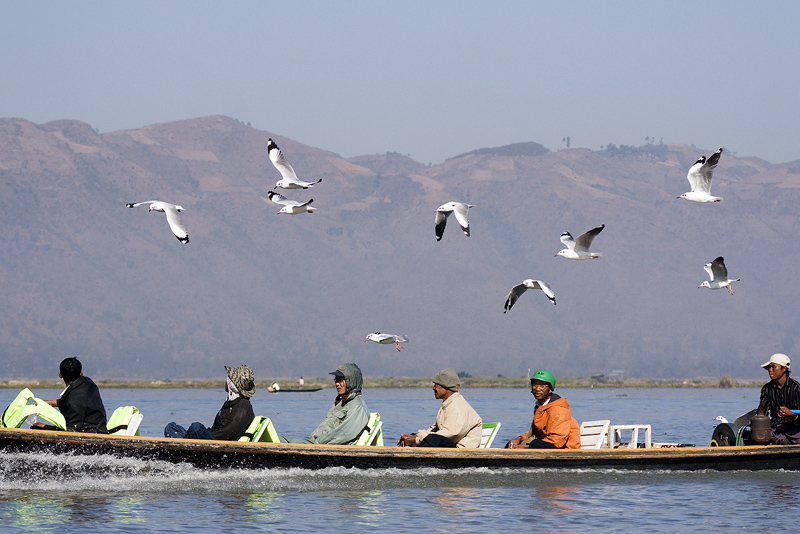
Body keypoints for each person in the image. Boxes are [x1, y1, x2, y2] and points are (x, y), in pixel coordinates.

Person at [281, 363, 369, 445]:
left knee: (278, 441)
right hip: (314, 443)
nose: (337, 384)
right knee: (275, 439)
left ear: (351, 381)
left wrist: (316, 444)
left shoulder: (357, 406)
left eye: (340, 380)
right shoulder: (342, 403)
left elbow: (345, 433)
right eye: (336, 380)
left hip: (320, 446)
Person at [164, 365, 256, 440]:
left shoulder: (243, 407)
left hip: (220, 445)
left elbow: (228, 434)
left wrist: (204, 434)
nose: (225, 382)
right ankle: (183, 446)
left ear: (232, 385)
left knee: (196, 427)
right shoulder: (231, 402)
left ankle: (181, 451)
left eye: (227, 379)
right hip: (213, 437)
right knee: (171, 427)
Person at [397, 368, 483, 448]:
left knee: (432, 440)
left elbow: (451, 434)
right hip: (450, 444)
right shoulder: (448, 404)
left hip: (460, 450)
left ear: (446, 387)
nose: (433, 388)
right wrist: (414, 436)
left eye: (436, 385)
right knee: (420, 437)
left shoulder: (457, 407)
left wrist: (416, 439)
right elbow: (435, 429)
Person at [505, 369, 581, 449]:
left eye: (542, 386)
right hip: (547, 443)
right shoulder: (540, 407)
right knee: (510, 444)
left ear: (550, 389)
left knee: (536, 444)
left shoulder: (558, 410)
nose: (537, 389)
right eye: (535, 385)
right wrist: (519, 439)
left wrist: (525, 448)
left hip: (565, 449)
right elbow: (534, 433)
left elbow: (558, 441)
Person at [35, 357, 108, 433]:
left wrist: (45, 427)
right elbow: (78, 401)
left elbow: (71, 431)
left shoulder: (72, 401)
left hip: (89, 436)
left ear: (60, 375)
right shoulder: (89, 383)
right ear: (81, 373)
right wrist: (51, 403)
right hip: (101, 430)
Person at [757, 353, 800, 445]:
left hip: (795, 429)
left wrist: (792, 415)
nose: (770, 370)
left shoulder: (796, 388)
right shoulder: (766, 389)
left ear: (784, 369)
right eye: (769, 368)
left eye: (773, 367)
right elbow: (762, 412)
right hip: (776, 428)